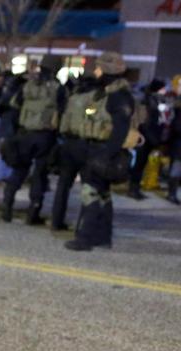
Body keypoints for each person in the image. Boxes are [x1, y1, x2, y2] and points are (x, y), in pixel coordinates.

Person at [65, 52, 135, 252]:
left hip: (102, 152)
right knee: (103, 195)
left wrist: (105, 155)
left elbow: (120, 130)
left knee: (91, 194)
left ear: (106, 71)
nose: (95, 71)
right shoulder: (109, 93)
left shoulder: (117, 96)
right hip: (99, 150)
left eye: (98, 68)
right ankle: (103, 237)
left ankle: (84, 238)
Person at [0, 55, 66, 224]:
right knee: (39, 174)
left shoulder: (28, 85)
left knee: (19, 170)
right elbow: (63, 112)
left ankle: (7, 207)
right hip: (45, 136)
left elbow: (14, 106)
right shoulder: (58, 88)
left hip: (25, 133)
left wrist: (17, 130)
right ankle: (33, 212)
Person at [50, 71, 98, 231]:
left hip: (68, 143)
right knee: (88, 187)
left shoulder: (73, 98)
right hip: (86, 144)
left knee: (63, 185)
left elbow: (63, 122)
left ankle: (56, 220)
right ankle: (82, 226)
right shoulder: (94, 100)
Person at [127, 79, 166, 200]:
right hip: (144, 139)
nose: (165, 91)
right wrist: (152, 139)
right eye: (162, 88)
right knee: (138, 165)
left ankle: (135, 188)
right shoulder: (147, 102)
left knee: (141, 165)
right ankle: (133, 189)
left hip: (149, 138)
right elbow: (145, 123)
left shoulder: (156, 101)